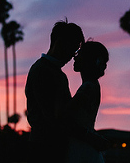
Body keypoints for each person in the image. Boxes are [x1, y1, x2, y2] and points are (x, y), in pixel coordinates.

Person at [25, 20, 107, 162]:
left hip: (53, 147)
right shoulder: (43, 71)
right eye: (73, 48)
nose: (73, 56)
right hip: (45, 148)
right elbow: (55, 118)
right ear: (60, 42)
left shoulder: (55, 73)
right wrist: (89, 136)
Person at [67, 41, 109, 162]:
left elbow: (65, 117)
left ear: (87, 60)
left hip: (81, 149)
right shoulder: (92, 85)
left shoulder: (88, 88)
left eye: (79, 54)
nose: (75, 57)